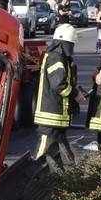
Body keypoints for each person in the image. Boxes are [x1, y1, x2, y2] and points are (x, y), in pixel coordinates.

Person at [32, 24, 81, 165]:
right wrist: (75, 94)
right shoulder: (57, 58)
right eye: (70, 44)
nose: (71, 48)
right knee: (42, 154)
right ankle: (30, 181)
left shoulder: (56, 56)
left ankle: (61, 181)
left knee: (61, 154)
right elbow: (58, 85)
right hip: (50, 116)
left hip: (56, 116)